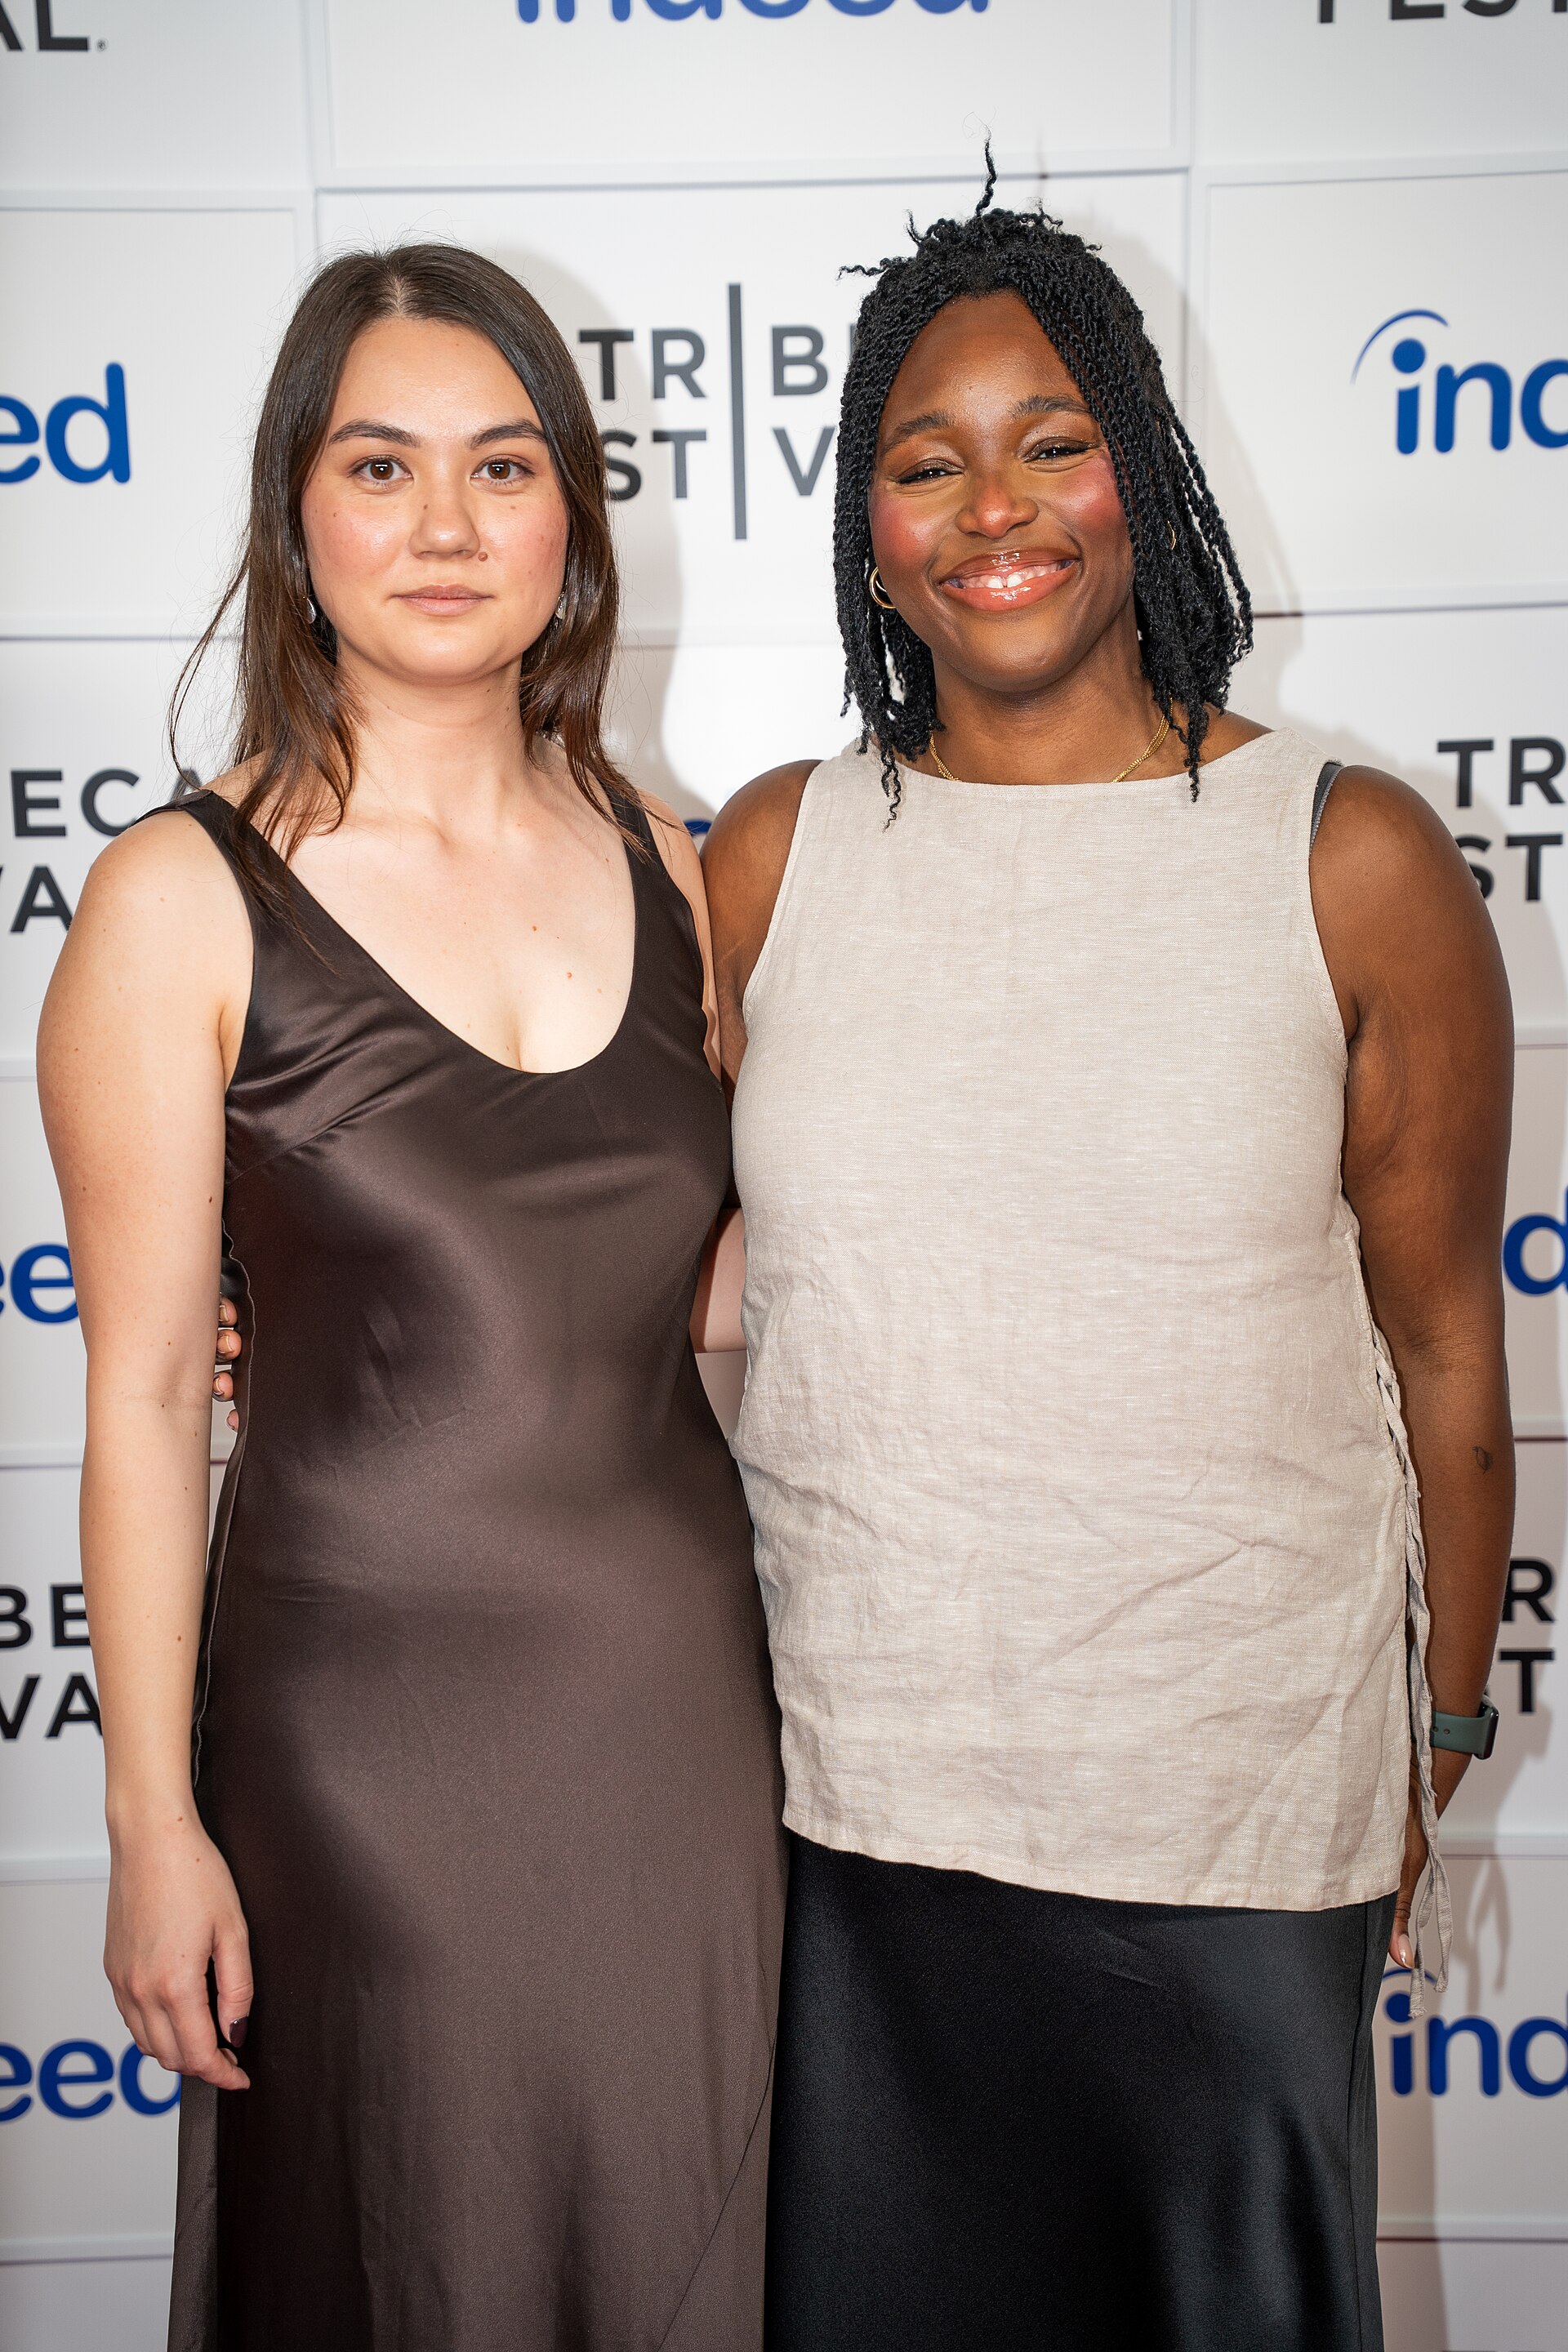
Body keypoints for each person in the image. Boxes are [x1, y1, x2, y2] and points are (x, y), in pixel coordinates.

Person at [702, 178, 1513, 2350]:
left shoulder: (1346, 853)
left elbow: (1447, 1355)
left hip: (1229, 1831)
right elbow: (630, 1242)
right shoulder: (776, 855)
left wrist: (1430, 1748)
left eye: (1052, 439)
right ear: (866, 520)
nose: (997, 506)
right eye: (924, 456)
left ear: (1143, 476)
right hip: (861, 1823)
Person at [38, 244, 784, 2352]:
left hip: (682, 1741)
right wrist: (148, 1818)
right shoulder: (179, 900)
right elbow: (145, 1390)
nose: (446, 527)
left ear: (572, 522)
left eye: (501, 466)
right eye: (383, 466)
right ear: (296, 513)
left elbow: (705, 1295)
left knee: (681, 2251)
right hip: (352, 1766)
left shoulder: (677, 861)